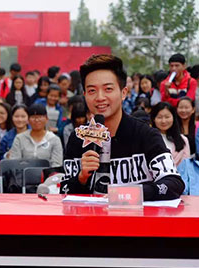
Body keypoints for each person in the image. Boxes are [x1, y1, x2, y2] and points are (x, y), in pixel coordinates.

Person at [61, 54, 184, 200]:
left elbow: (174, 183)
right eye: (92, 90)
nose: (100, 97)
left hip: (134, 213)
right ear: (85, 95)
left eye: (108, 89)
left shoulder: (145, 134)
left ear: (123, 92)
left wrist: (133, 193)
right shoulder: (78, 138)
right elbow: (64, 189)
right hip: (92, 214)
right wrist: (81, 178)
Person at [5, 103, 63, 168]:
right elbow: (14, 162)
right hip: (23, 173)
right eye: (33, 117)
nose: (37, 120)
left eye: (40, 117)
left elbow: (57, 165)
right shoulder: (19, 138)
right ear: (28, 120)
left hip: (47, 173)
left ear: (46, 118)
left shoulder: (54, 139)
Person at [150, 102, 190, 167]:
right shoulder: (148, 139)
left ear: (173, 117)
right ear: (153, 119)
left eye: (167, 117)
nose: (163, 121)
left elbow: (186, 165)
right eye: (159, 117)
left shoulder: (183, 140)